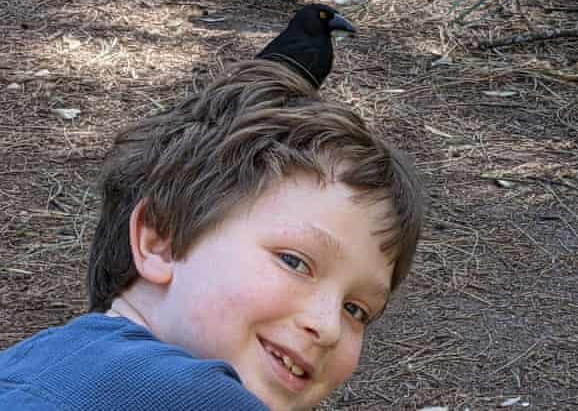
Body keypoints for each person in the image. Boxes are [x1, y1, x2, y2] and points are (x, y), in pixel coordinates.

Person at [0, 61, 425, 411]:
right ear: (160, 240)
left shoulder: (28, 367)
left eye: (357, 310)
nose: (328, 326)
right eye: (294, 261)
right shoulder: (199, 398)